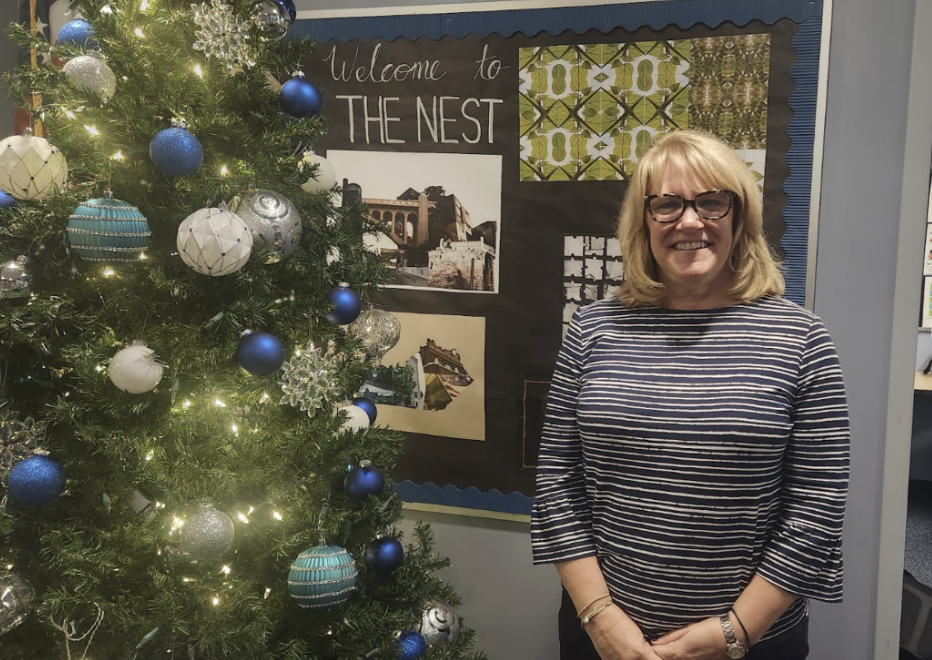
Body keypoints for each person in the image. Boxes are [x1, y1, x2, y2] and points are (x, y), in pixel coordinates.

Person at [530, 129, 849, 660]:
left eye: (711, 202)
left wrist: (736, 631)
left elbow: (817, 508)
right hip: (603, 637)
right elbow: (558, 485)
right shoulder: (591, 331)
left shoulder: (802, 340)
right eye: (668, 204)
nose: (690, 221)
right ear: (644, 221)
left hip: (753, 642)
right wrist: (601, 618)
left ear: (738, 216)